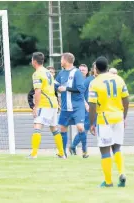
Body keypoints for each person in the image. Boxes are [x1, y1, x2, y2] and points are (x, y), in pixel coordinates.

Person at [88, 56, 129, 187]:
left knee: (104, 150)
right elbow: (126, 99)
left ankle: (108, 182)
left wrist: (92, 123)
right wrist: (124, 117)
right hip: (118, 117)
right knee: (116, 147)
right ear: (107, 66)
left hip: (104, 118)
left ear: (96, 69)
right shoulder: (119, 79)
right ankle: (122, 172)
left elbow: (92, 105)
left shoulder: (94, 83)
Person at [27, 52, 64, 159]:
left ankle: (34, 154)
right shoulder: (48, 72)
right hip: (53, 103)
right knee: (54, 128)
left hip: (45, 104)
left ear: (34, 61)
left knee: (37, 126)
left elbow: (37, 91)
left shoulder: (37, 73)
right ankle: (61, 153)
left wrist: (36, 107)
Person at [55, 53, 86, 158]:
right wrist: (56, 88)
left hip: (77, 107)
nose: (60, 62)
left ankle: (84, 151)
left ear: (66, 60)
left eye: (61, 59)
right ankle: (63, 153)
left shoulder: (77, 73)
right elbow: (55, 85)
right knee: (63, 129)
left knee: (80, 127)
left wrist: (66, 88)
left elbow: (81, 89)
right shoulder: (61, 73)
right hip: (65, 107)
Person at [69, 64, 93, 158]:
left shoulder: (88, 80)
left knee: (84, 129)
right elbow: (81, 95)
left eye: (84, 70)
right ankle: (79, 149)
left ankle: (74, 147)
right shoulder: (82, 81)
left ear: (87, 71)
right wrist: (85, 104)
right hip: (84, 108)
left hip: (92, 107)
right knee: (84, 129)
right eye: (80, 70)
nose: (82, 71)